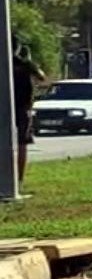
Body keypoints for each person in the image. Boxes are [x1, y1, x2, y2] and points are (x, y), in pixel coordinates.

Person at [12, 37, 46, 187]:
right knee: (22, 143)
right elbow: (42, 77)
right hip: (23, 107)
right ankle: (19, 179)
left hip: (5, 106)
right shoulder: (25, 64)